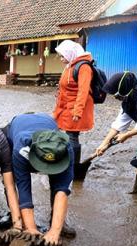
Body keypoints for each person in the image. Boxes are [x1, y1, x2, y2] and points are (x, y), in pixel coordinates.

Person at [3, 113, 74, 246]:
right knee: (10, 177)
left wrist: (54, 231)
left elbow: (63, 190)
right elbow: (23, 187)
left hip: (47, 124)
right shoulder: (21, 148)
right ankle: (15, 215)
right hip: (19, 125)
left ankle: (58, 221)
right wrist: (31, 228)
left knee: (57, 183)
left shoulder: (66, 149)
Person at [53, 40, 95, 173]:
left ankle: (73, 166)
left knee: (72, 136)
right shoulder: (70, 65)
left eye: (62, 56)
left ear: (70, 54)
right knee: (67, 134)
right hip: (65, 106)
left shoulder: (83, 67)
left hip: (75, 108)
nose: (61, 59)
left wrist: (78, 111)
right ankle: (68, 161)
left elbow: (83, 91)